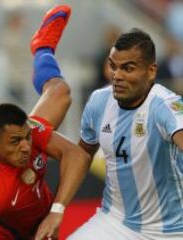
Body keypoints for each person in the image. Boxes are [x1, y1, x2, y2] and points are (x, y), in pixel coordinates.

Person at [0, 5, 91, 240]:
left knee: (60, 91)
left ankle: (42, 47)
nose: (26, 147)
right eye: (16, 141)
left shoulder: (26, 135)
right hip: (22, 236)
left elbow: (78, 156)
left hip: (45, 215)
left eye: (27, 137)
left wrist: (56, 212)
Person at [68, 28, 183, 240]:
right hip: (115, 223)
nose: (117, 76)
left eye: (128, 68)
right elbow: (82, 155)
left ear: (151, 71)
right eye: (113, 67)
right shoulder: (98, 102)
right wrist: (57, 209)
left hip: (172, 231)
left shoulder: (166, 105)